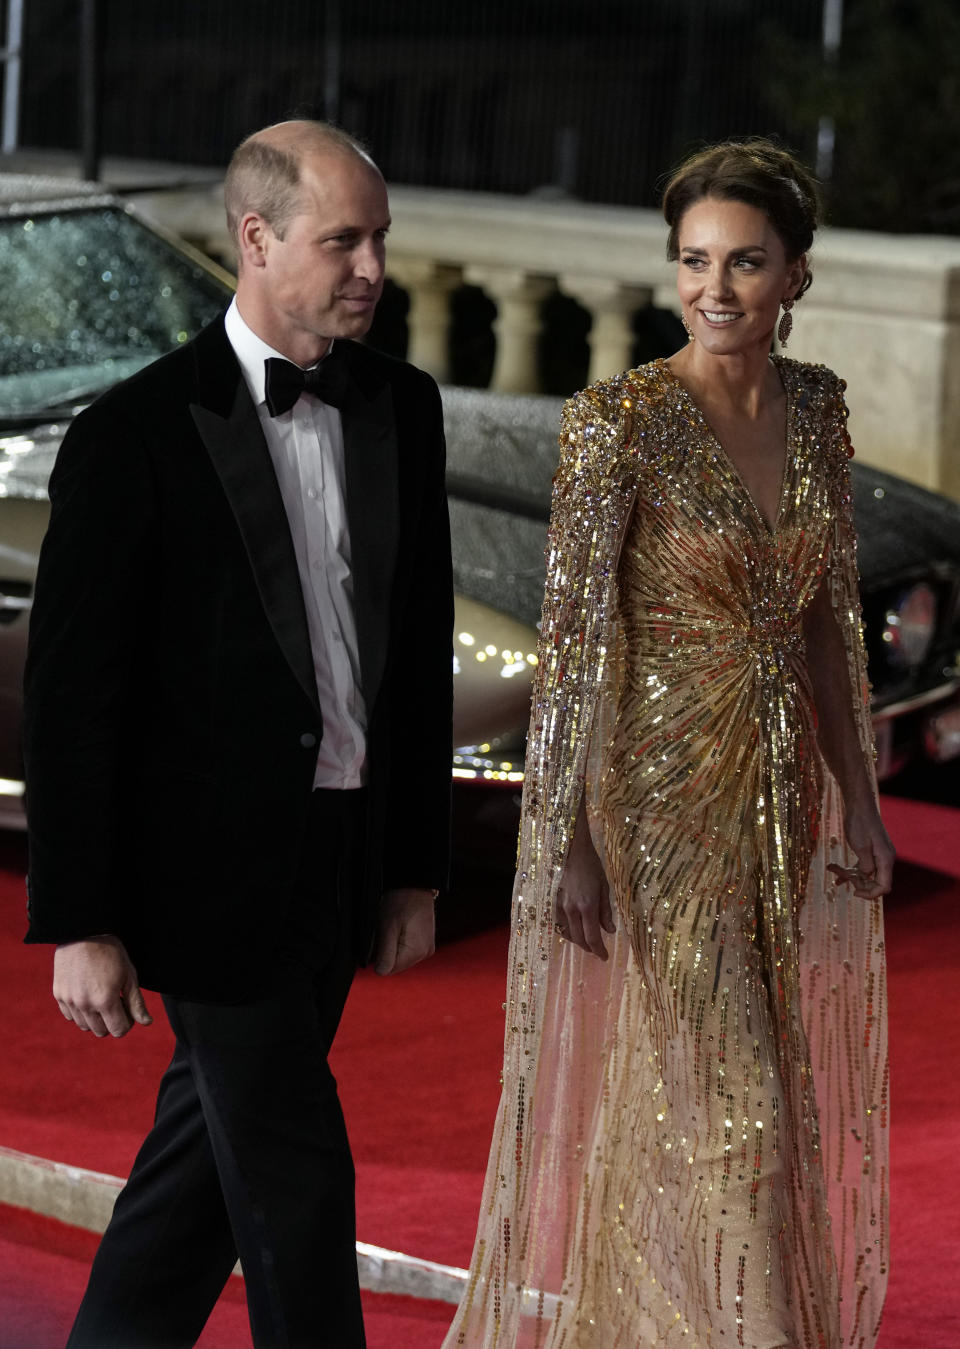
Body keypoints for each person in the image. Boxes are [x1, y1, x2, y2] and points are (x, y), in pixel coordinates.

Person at [444, 138, 892, 1349]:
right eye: (695, 260)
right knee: (737, 1093)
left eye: (747, 261)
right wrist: (576, 834)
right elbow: (578, 643)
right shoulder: (619, 421)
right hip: (656, 796)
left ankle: (656, 1319)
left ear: (795, 274)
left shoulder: (817, 410)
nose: (717, 287)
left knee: (726, 1086)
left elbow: (824, 620)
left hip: (784, 781)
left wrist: (859, 795)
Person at [23, 119, 453, 1349]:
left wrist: (414, 863)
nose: (373, 265)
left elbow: (412, 655)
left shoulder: (400, 409)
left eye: (380, 238)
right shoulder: (134, 436)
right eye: (343, 240)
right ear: (257, 239)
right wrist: (82, 916)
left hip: (338, 850)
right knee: (297, 1176)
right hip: (202, 879)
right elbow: (73, 699)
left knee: (200, 1171)